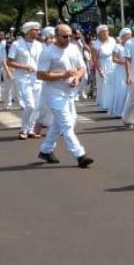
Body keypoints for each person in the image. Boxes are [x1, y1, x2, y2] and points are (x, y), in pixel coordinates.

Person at [35, 24, 94, 168]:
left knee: (60, 123)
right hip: (53, 93)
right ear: (56, 36)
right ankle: (80, 155)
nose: (68, 38)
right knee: (67, 124)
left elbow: (81, 68)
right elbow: (40, 74)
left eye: (70, 35)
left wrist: (77, 78)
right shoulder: (48, 53)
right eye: (65, 36)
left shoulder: (73, 48)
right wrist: (63, 75)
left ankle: (46, 150)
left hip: (69, 92)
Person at [7, 22, 43, 140]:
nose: (38, 32)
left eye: (39, 29)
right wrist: (24, 66)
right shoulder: (17, 44)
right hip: (23, 79)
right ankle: (23, 129)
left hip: (37, 79)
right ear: (28, 31)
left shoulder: (39, 45)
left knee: (37, 106)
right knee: (30, 105)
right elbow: (9, 62)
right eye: (36, 29)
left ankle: (31, 129)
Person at [93, 25, 117, 114]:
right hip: (102, 64)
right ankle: (104, 104)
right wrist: (99, 70)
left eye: (107, 31)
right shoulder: (96, 44)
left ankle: (112, 103)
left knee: (113, 84)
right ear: (99, 33)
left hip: (113, 64)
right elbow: (94, 58)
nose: (106, 33)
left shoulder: (112, 40)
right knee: (104, 85)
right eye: (103, 31)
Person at [106, 28, 131, 116]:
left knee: (131, 91)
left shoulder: (132, 46)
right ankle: (119, 110)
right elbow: (114, 59)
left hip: (131, 70)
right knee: (122, 90)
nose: (128, 37)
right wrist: (125, 62)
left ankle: (130, 111)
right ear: (122, 37)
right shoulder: (117, 46)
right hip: (120, 70)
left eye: (129, 35)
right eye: (126, 35)